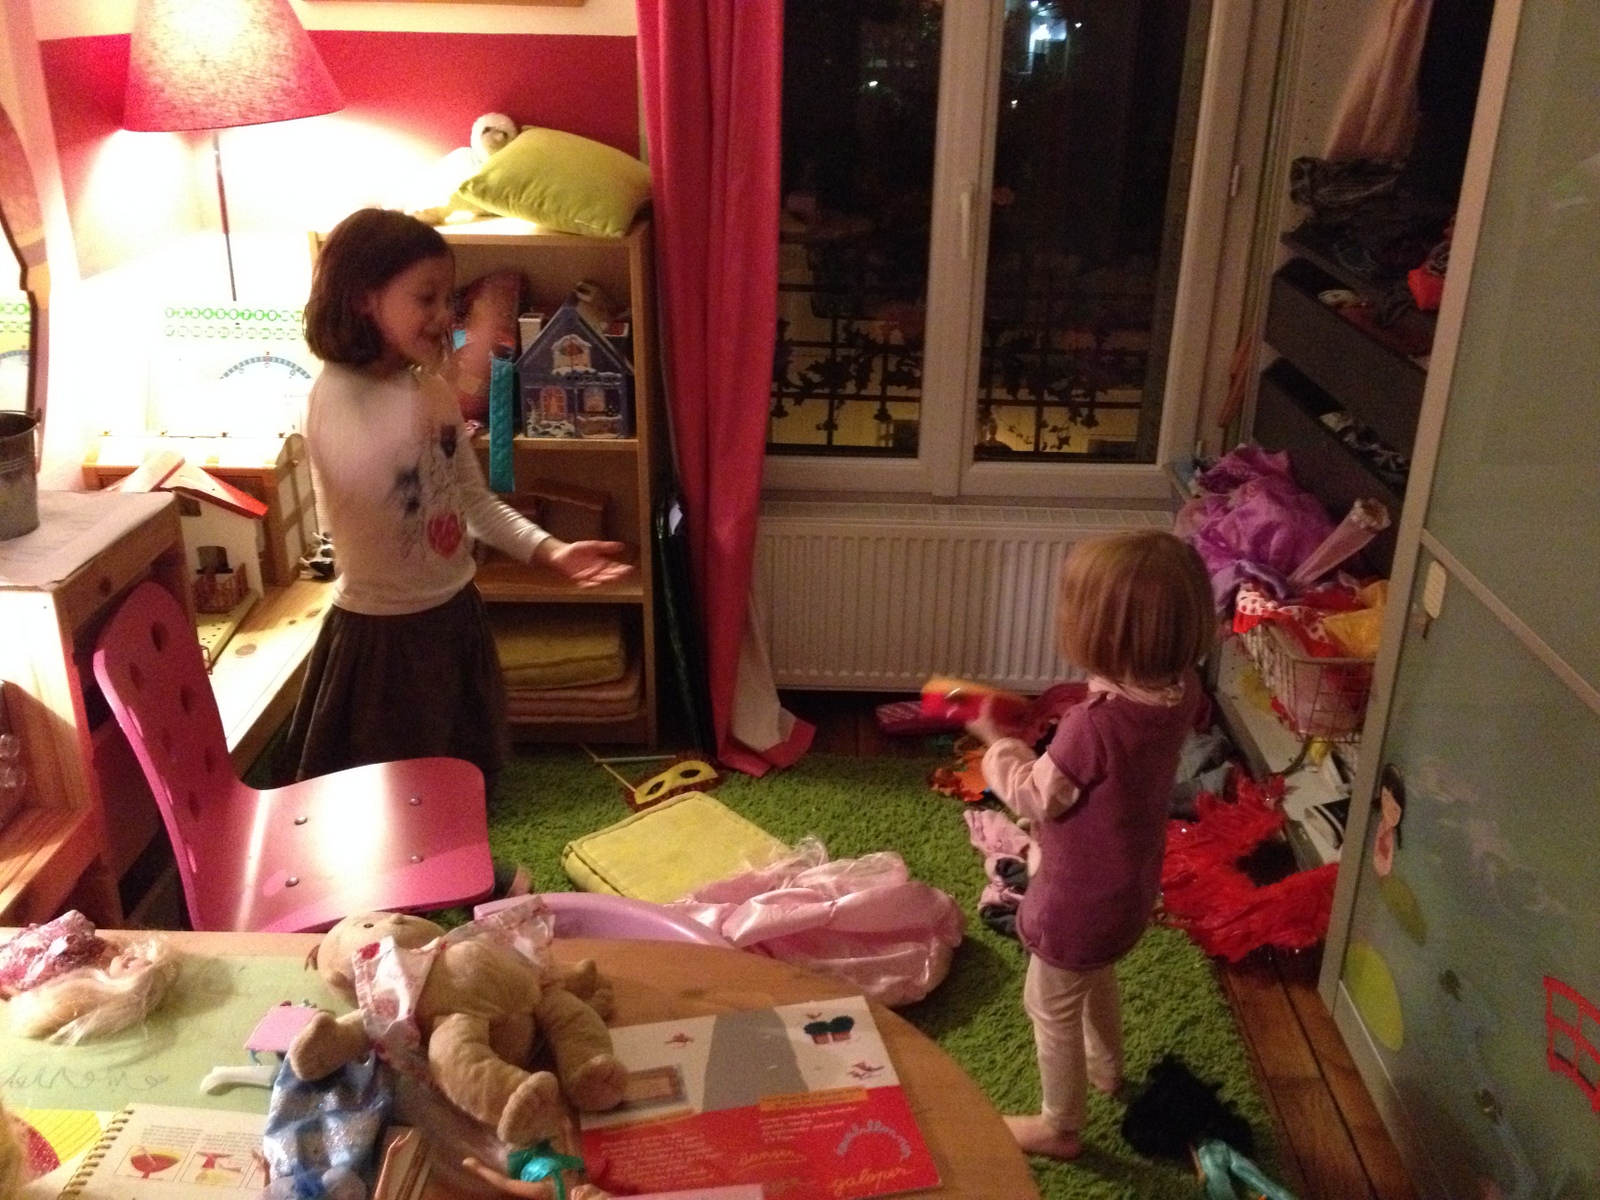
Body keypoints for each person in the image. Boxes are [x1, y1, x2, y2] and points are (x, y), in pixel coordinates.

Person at [283, 207, 633, 795]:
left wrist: (551, 551)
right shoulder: (335, 394)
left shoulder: (428, 391)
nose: (445, 315)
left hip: (453, 613)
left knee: (455, 786)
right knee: (387, 801)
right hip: (382, 637)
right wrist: (443, 386)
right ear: (364, 298)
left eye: (448, 299)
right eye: (426, 298)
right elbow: (364, 471)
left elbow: (472, 500)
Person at [965, 529, 1214, 1160]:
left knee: (1049, 1007)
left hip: (1076, 899)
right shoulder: (1182, 690)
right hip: (1128, 886)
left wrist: (998, 743)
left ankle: (1060, 1127)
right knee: (1094, 974)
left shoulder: (1091, 728)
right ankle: (1107, 1069)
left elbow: (1034, 797)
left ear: (1102, 633)